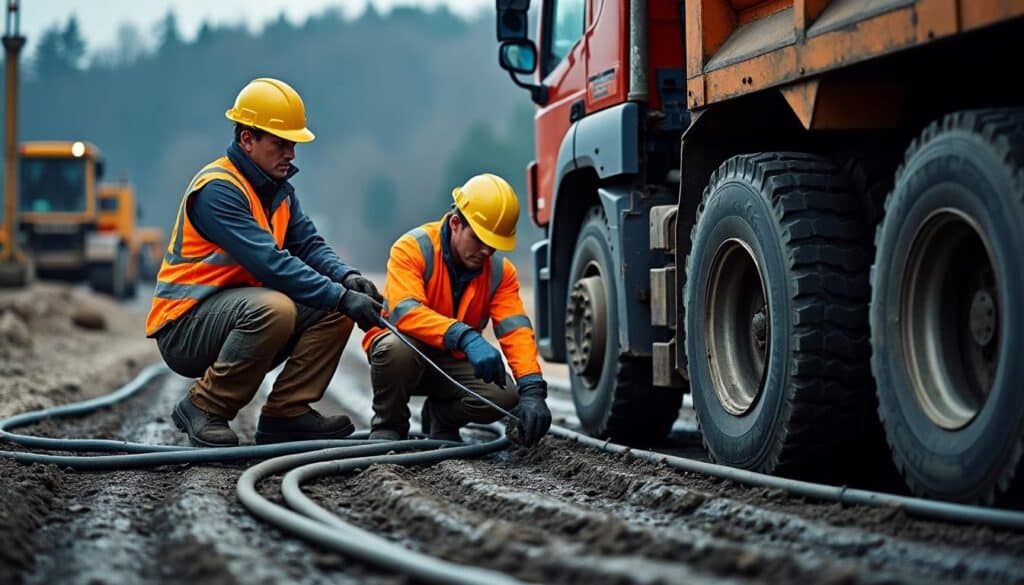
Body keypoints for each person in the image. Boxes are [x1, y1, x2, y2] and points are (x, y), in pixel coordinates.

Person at [146, 78, 383, 447]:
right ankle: (203, 406)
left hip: (234, 313)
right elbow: (270, 263)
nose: (290, 153)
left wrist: (347, 279)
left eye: (293, 144)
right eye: (280, 143)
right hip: (185, 326)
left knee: (334, 309)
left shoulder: (278, 191)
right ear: (246, 140)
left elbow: (308, 244)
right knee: (277, 307)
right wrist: (338, 294)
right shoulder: (218, 190)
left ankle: (285, 415)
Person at [363, 173, 552, 445]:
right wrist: (465, 336)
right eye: (478, 239)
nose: (486, 251)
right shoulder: (412, 248)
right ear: (455, 223)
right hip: (405, 355)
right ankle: (388, 427)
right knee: (396, 349)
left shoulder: (500, 273)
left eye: (493, 245)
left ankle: (442, 417)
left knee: (504, 396)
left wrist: (533, 388)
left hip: (451, 360)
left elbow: (516, 331)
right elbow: (405, 312)